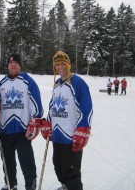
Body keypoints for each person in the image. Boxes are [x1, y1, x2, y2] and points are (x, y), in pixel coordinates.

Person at [40, 51, 93, 190]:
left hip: (71, 136)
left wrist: (83, 129)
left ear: (68, 65)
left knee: (72, 172)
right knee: (58, 166)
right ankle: (65, 187)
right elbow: (53, 107)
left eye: (63, 64)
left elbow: (86, 107)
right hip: (57, 135)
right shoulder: (57, 84)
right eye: (57, 64)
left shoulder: (77, 82)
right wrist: (47, 122)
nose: (60, 67)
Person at [0, 53, 43, 190]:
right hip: (5, 129)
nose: (13, 64)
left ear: (20, 65)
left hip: (23, 129)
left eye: (16, 62)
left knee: (26, 161)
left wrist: (35, 120)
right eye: (10, 62)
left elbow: (36, 103)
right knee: (7, 161)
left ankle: (31, 185)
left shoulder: (27, 80)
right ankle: (11, 184)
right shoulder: (2, 83)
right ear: (7, 65)